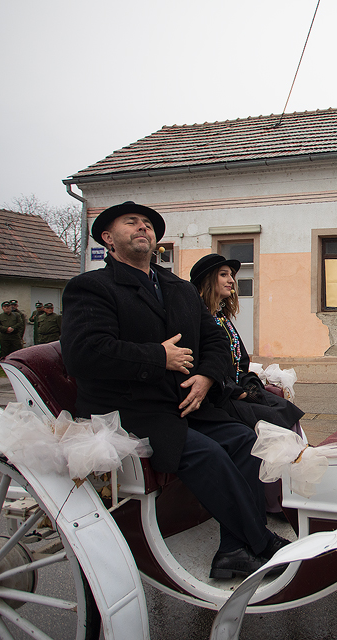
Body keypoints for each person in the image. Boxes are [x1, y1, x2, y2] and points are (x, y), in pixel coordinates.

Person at [60, 200, 288, 579]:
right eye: (130, 222)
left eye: (147, 224)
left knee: (246, 440)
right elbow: (84, 354)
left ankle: (232, 549)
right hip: (128, 412)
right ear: (107, 238)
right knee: (209, 454)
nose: (142, 228)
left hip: (184, 404)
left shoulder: (179, 289)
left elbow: (215, 341)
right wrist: (157, 357)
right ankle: (261, 543)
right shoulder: (91, 288)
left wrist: (207, 378)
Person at [189, 253, 305, 430]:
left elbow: (240, 362)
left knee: (286, 408)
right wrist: (236, 391)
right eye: (223, 275)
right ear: (207, 280)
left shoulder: (222, 319)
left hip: (236, 390)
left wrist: (249, 385)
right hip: (218, 398)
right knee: (275, 417)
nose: (231, 281)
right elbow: (205, 365)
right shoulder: (195, 320)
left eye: (231, 275)